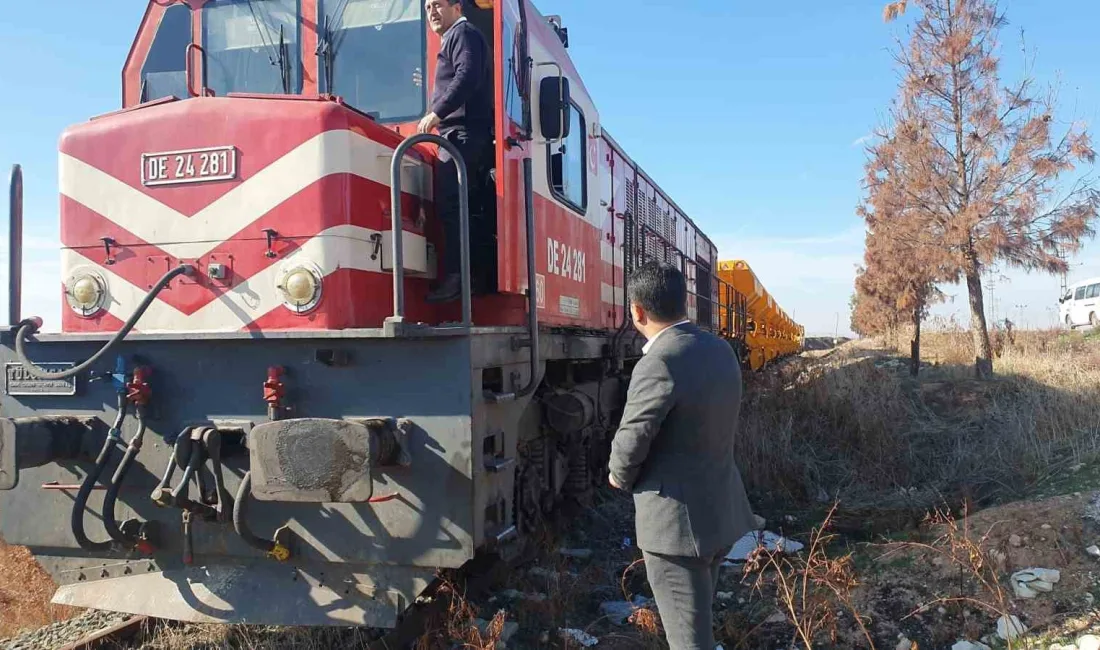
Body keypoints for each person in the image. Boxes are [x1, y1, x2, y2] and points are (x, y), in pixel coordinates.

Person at [608, 261, 757, 650]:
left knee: (688, 641)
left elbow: (634, 435)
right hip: (719, 513)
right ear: (686, 303)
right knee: (698, 622)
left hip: (676, 531)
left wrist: (618, 475)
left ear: (637, 311)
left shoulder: (658, 361)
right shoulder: (720, 349)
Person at [418, 0, 494, 303]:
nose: (432, 12)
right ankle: (471, 276)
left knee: (453, 206)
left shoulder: (463, 34)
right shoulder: (455, 38)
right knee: (466, 208)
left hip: (460, 135)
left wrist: (436, 112)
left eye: (438, 4)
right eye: (427, 8)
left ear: (457, 7)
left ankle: (456, 277)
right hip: (461, 134)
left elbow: (467, 76)